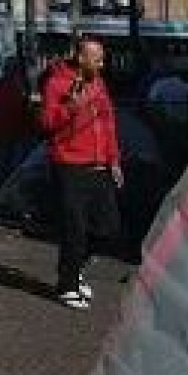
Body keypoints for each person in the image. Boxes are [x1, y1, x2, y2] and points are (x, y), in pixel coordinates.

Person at [40, 37, 121, 310]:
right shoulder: (56, 83)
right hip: (70, 165)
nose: (101, 63)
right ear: (80, 57)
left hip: (100, 165)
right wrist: (71, 106)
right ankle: (67, 285)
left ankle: (76, 268)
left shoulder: (99, 84)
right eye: (96, 58)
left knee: (108, 228)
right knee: (74, 229)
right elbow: (47, 123)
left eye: (102, 57)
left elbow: (108, 123)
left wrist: (115, 160)